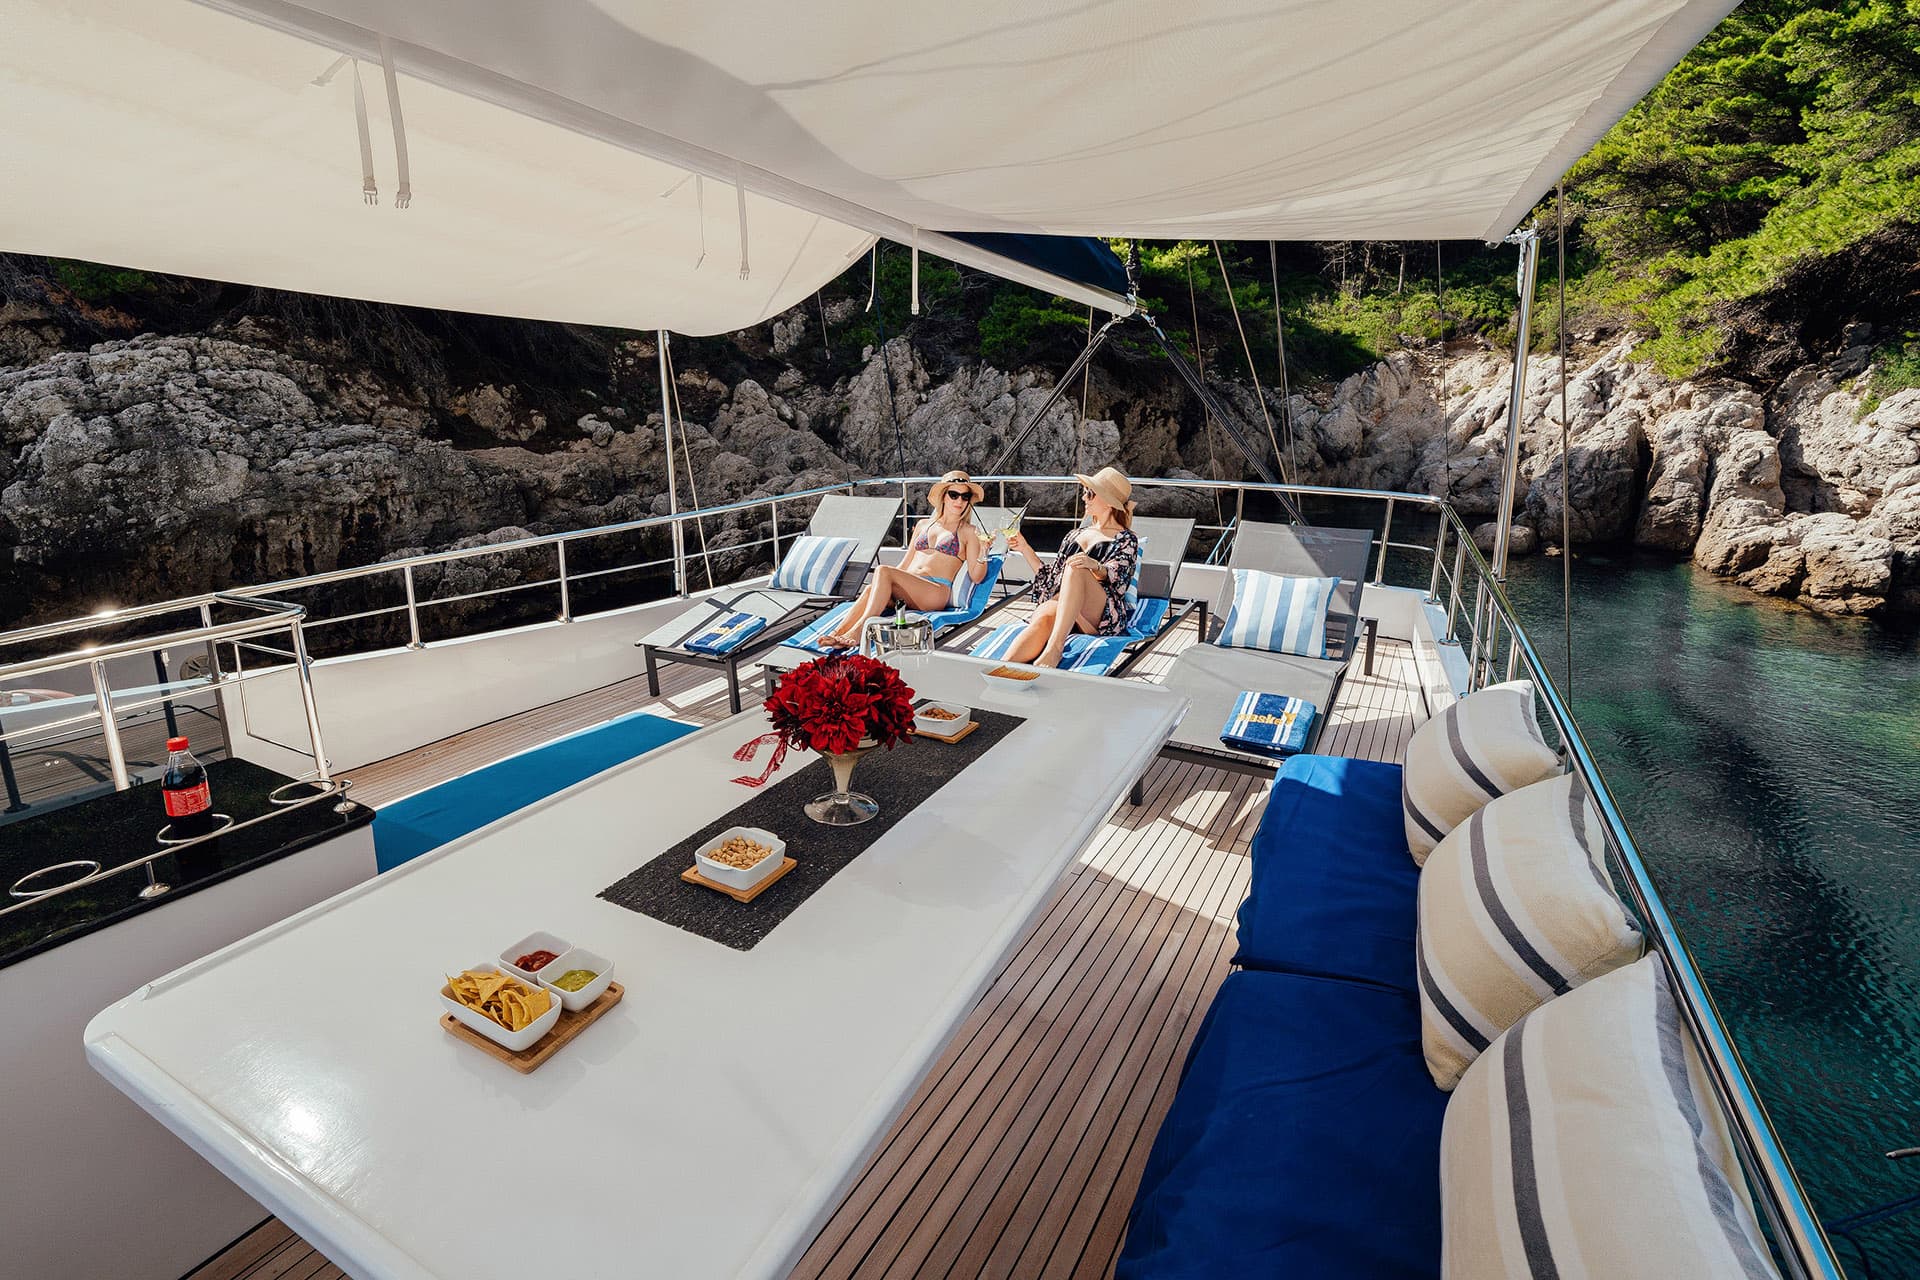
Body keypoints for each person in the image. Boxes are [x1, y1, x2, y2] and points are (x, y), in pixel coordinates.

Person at [817, 470, 991, 649]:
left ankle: (858, 631)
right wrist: (885, 582)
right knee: (871, 589)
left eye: (965, 496)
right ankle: (837, 633)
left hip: (935, 592)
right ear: (943, 496)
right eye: (954, 495)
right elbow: (905, 564)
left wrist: (983, 551)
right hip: (911, 589)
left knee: (883, 570)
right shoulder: (923, 524)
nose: (959, 501)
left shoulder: (969, 531)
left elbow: (977, 577)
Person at [1002, 465, 1141, 668]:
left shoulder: (1126, 539)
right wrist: (1024, 548)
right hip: (1065, 610)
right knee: (1045, 617)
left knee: (1076, 568)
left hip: (1098, 614)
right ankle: (998, 671)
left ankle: (1054, 649)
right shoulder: (1074, 534)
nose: (1084, 497)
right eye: (1085, 492)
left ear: (1109, 502)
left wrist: (1094, 565)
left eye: (1090, 493)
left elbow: (1119, 580)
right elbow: (1050, 578)